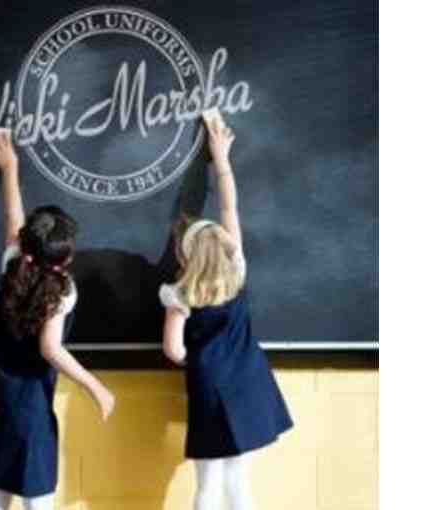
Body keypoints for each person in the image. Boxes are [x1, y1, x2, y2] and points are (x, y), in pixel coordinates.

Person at [0, 129, 116, 510]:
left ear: (26, 245)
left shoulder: (13, 265)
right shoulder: (63, 289)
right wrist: (94, 386)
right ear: (65, 258)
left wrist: (10, 168)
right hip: (32, 408)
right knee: (38, 498)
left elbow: (12, 219)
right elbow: (50, 348)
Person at [159, 114, 293, 510]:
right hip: (249, 380)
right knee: (239, 479)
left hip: (211, 387)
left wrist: (201, 360)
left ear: (185, 254)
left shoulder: (179, 294)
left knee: (209, 481)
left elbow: (174, 350)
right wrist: (221, 159)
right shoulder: (237, 271)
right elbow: (229, 206)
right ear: (224, 247)